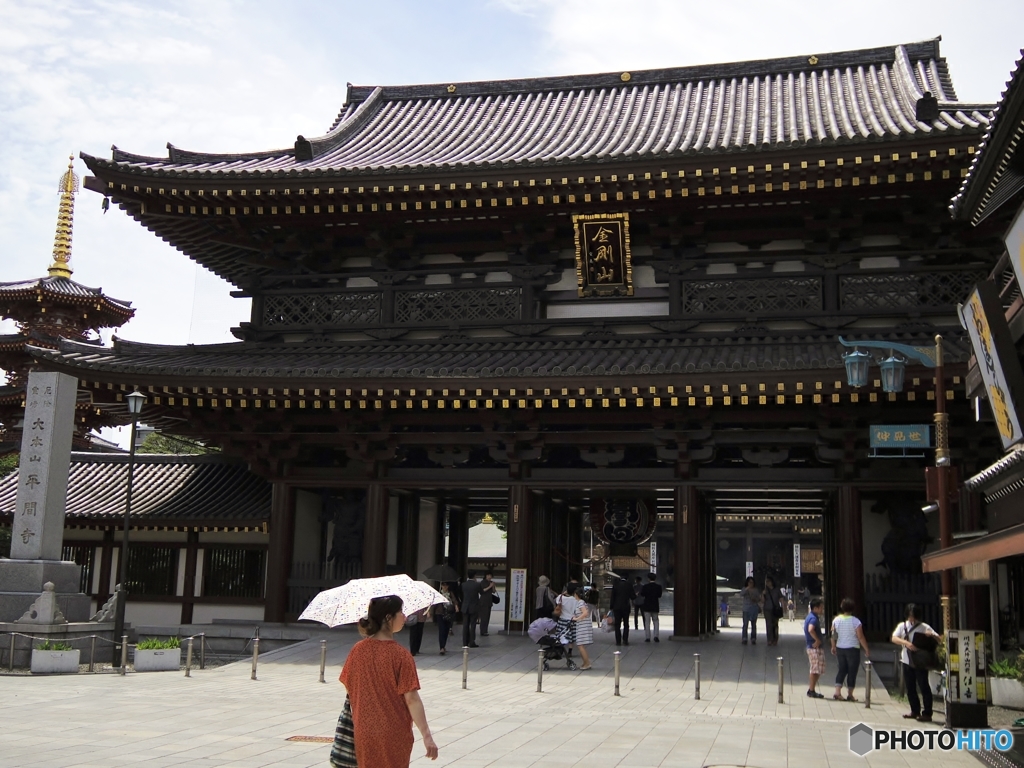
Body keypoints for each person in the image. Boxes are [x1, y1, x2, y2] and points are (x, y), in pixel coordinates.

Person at [339, 595, 439, 766]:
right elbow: (411, 699)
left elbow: (350, 686)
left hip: (364, 731)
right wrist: (427, 735)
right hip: (393, 731)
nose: (404, 616)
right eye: (400, 612)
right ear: (388, 617)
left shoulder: (357, 651)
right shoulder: (400, 655)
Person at [891, 603, 941, 722]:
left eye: (913, 616)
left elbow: (939, 639)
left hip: (920, 661)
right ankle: (915, 710)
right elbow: (894, 638)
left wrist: (931, 635)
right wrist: (907, 643)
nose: (912, 619)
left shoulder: (924, 626)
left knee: (924, 686)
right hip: (906, 660)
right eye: (910, 616)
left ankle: (927, 713)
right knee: (910, 687)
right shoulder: (902, 626)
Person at [831, 597, 870, 701]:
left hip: (840, 648)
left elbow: (833, 635)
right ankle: (850, 694)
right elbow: (860, 637)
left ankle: (837, 692)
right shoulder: (856, 622)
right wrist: (866, 648)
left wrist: (833, 646)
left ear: (842, 607)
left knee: (842, 669)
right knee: (852, 671)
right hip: (853, 648)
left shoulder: (836, 620)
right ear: (853, 608)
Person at [803, 597, 825, 698]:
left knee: (817, 669)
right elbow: (811, 629)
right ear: (815, 608)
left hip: (813, 647)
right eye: (821, 608)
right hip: (814, 647)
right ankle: (811, 690)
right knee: (815, 669)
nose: (822, 610)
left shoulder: (811, 616)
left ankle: (812, 689)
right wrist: (817, 640)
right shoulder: (813, 618)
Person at [432, 583, 457, 655]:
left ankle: (444, 645)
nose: (445, 587)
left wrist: (456, 606)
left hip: (448, 613)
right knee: (441, 630)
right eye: (443, 585)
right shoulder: (438, 594)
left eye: (446, 585)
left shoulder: (450, 593)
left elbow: (454, 600)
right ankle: (441, 647)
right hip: (440, 613)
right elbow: (434, 603)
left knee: (446, 630)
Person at [572, 585, 594, 670]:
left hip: (582, 625)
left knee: (580, 644)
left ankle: (587, 663)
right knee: (580, 645)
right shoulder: (580, 602)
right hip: (582, 625)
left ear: (576, 594)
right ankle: (585, 662)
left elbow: (585, 613)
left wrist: (576, 619)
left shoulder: (580, 602)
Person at [460, 571, 482, 648]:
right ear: (475, 576)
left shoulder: (463, 585)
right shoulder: (477, 585)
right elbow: (481, 592)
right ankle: (472, 642)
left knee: (465, 625)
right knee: (473, 625)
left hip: (465, 606)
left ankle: (465, 642)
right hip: (474, 606)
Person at [610, 575, 633, 646]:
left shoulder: (616, 585)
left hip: (616, 607)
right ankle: (625, 640)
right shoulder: (629, 585)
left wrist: (611, 607)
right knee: (626, 624)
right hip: (626, 607)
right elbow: (633, 596)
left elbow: (612, 596)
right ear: (627, 578)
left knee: (617, 624)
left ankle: (618, 641)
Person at [641, 572, 663, 643]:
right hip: (655, 605)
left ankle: (647, 637)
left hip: (647, 606)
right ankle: (656, 636)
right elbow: (659, 595)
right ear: (655, 578)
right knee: (656, 621)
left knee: (647, 622)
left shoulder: (645, 587)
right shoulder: (658, 587)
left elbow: (642, 594)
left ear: (648, 579)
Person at [762, 576, 783, 646]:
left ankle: (775, 639)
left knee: (775, 625)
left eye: (768, 581)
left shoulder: (776, 590)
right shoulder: (765, 591)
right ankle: (769, 639)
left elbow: (781, 598)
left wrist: (783, 606)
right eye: (766, 582)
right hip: (767, 609)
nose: (767, 583)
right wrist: (763, 594)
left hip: (775, 609)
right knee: (768, 625)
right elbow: (762, 601)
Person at [740, 576, 761, 645]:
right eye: (749, 582)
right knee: (745, 624)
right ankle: (744, 638)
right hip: (746, 609)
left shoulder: (756, 590)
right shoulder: (745, 589)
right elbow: (741, 594)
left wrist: (755, 599)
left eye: (752, 582)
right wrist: (747, 589)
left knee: (753, 624)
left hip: (753, 608)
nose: (751, 583)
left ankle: (753, 638)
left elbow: (759, 598)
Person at [478, 572, 496, 636]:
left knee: (487, 617)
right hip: (483, 601)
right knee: (484, 617)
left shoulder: (491, 582)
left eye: (490, 575)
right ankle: (482, 631)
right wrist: (490, 586)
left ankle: (485, 630)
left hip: (489, 601)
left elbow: (493, 591)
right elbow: (483, 590)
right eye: (488, 575)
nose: (489, 577)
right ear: (486, 576)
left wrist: (493, 586)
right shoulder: (483, 582)